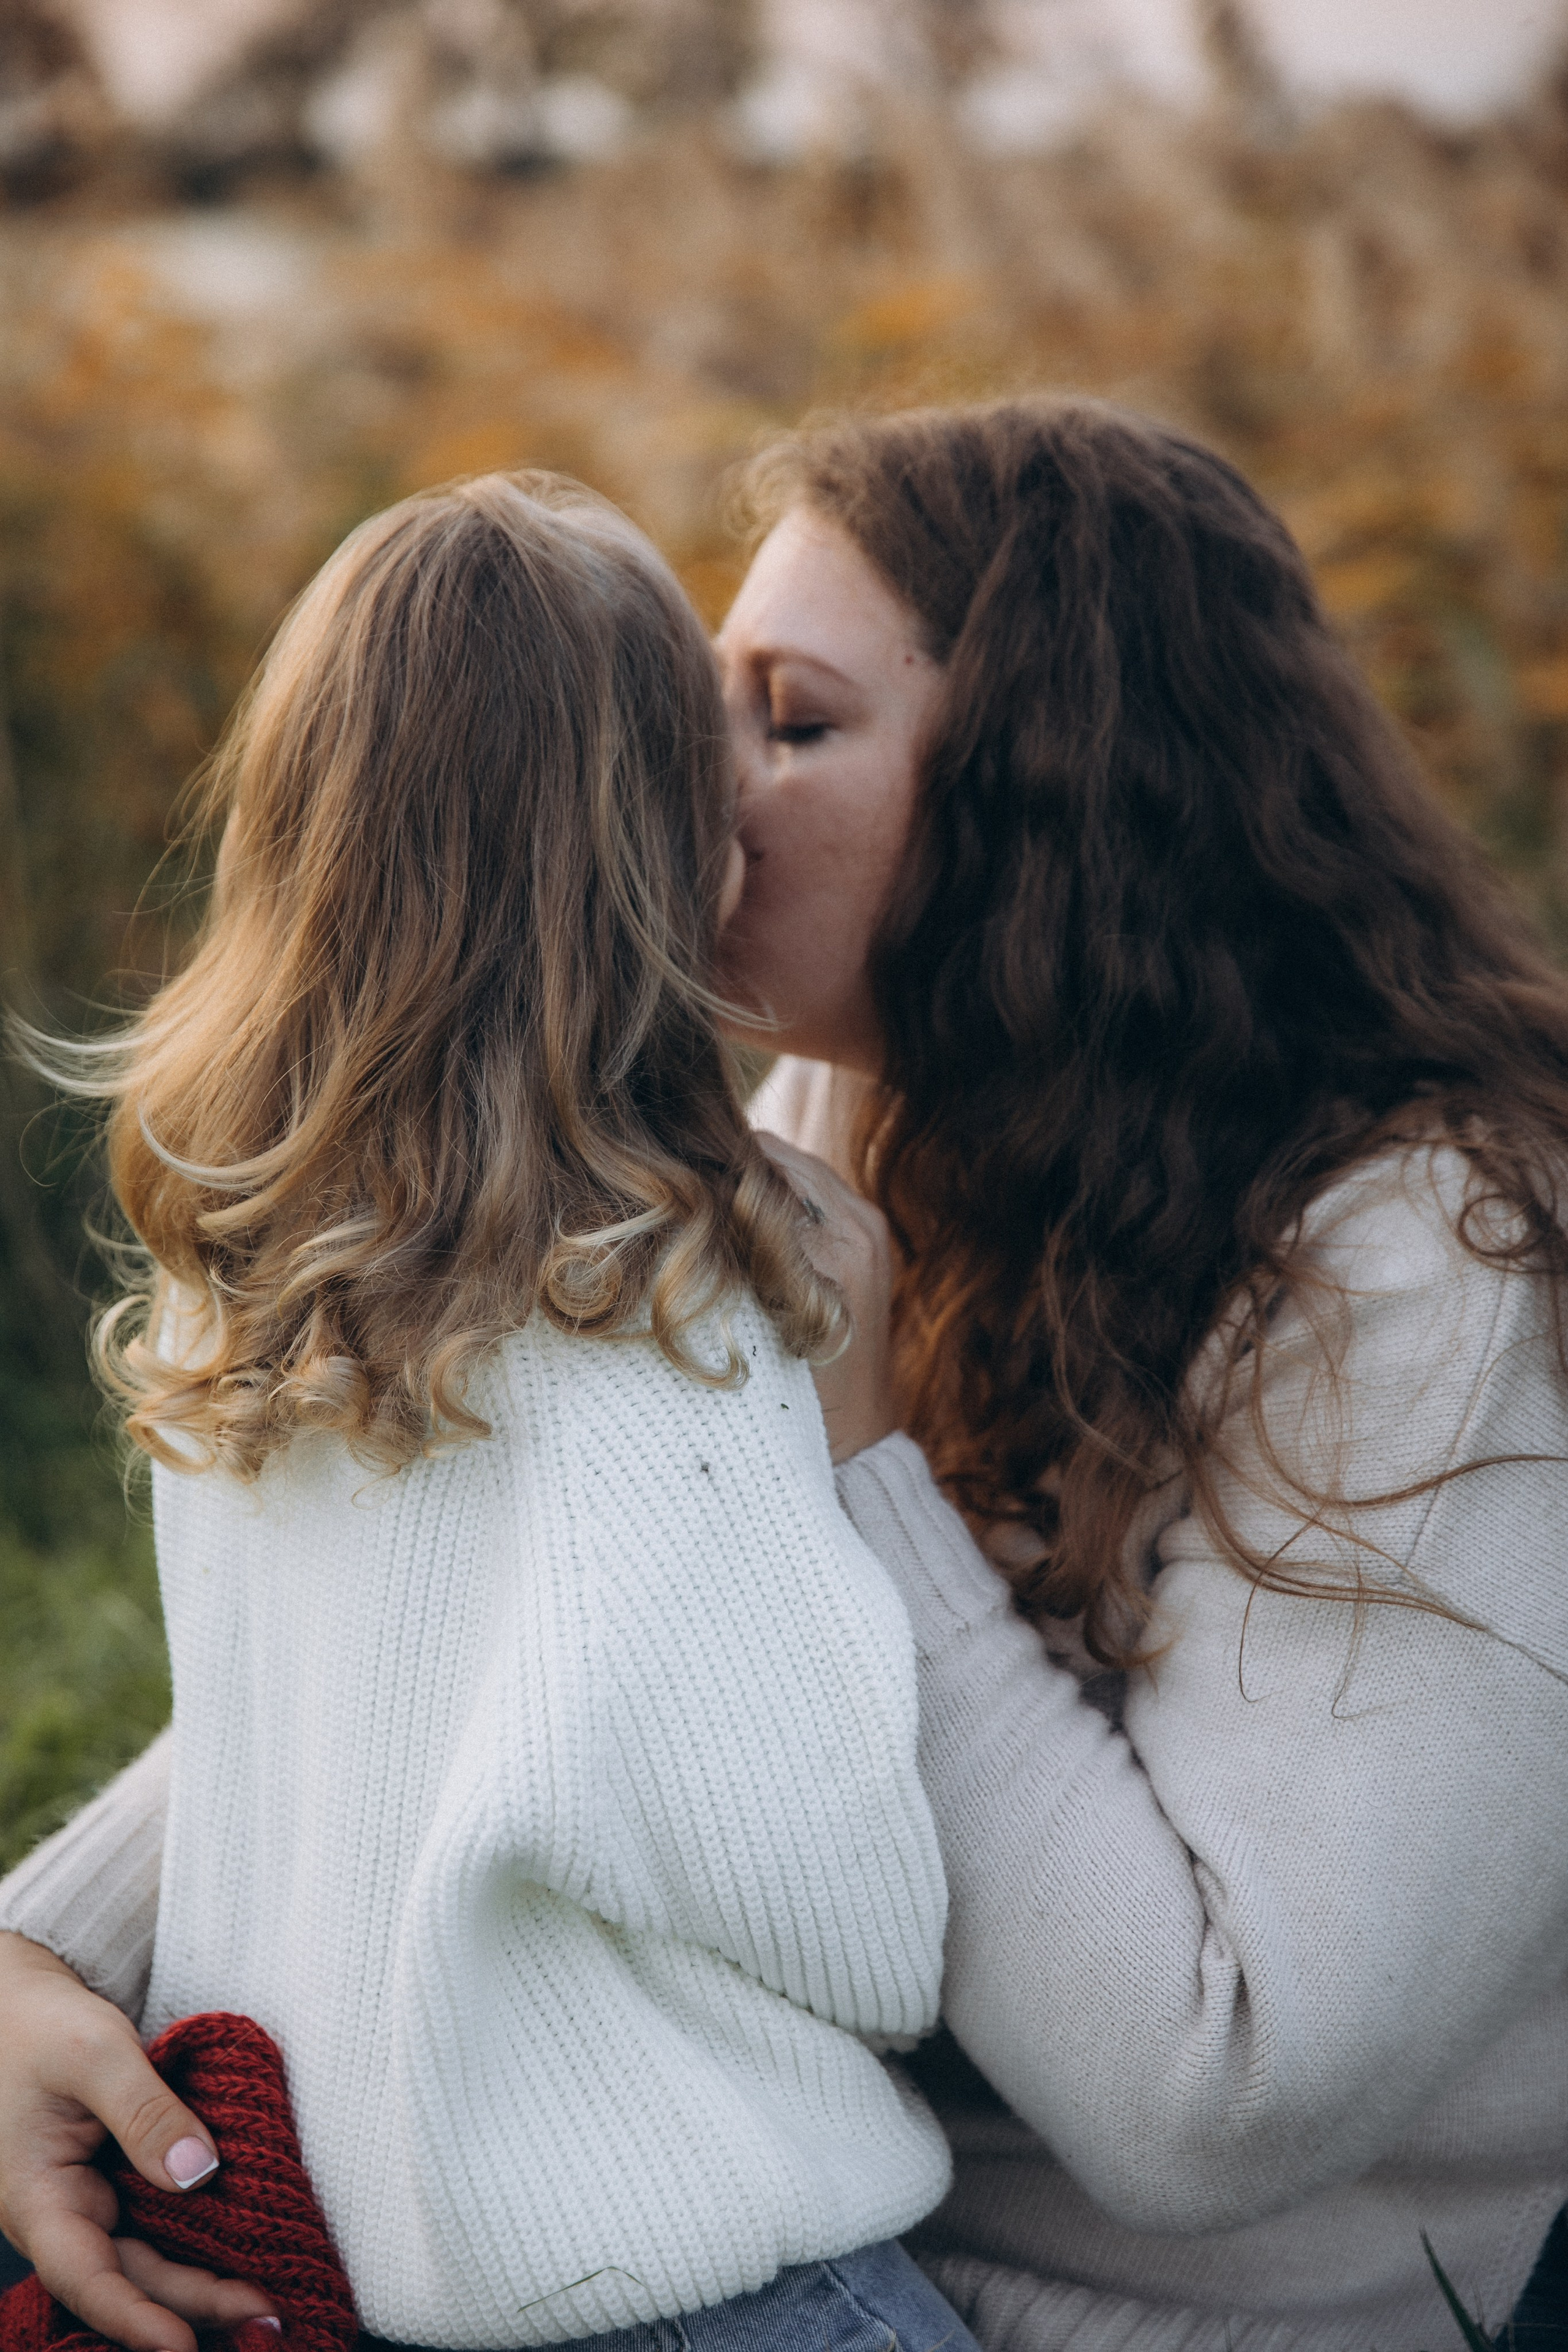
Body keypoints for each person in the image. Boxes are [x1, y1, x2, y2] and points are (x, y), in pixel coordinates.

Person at [4, 398, 1568, 2350]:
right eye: (699, 711)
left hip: (1074, 2308)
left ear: (1064, 799)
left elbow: (1214, 2100)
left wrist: (849, 1463)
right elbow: (506, 1605)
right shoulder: (856, 1096)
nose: (707, 797)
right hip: (753, 2224)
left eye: (794, 721)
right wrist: (39, 1957)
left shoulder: (1434, 1260)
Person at [0, 471, 972, 2352]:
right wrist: (868, 1457)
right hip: (723, 2296)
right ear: (680, 869)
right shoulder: (674, 1336)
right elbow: (856, 1921)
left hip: (360, 2289)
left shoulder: (254, 1301)